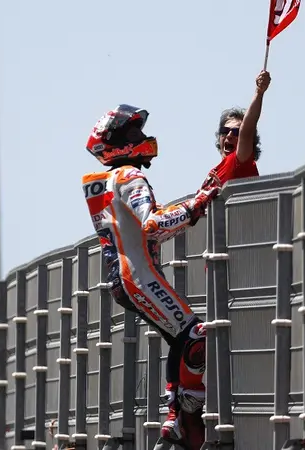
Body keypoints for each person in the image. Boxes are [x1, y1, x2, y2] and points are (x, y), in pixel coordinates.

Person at [80, 104, 218, 445]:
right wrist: (197, 204)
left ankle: (175, 417)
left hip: (125, 277)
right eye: (135, 134)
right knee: (197, 335)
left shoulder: (103, 181)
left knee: (182, 337)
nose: (143, 138)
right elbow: (153, 225)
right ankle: (185, 413)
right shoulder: (129, 176)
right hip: (138, 275)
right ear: (117, 143)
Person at [208, 70, 271, 185]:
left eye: (236, 132)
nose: (229, 135)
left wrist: (259, 93)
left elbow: (247, 129)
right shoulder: (214, 173)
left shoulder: (240, 162)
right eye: (225, 131)